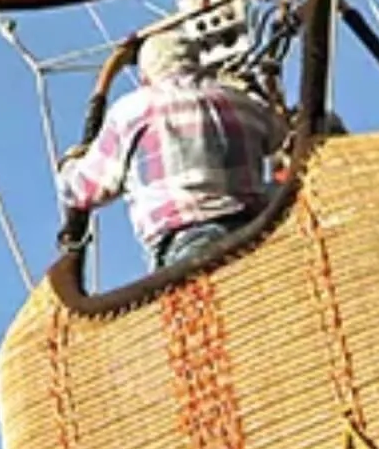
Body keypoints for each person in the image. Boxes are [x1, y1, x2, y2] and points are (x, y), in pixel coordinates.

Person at [57, 28, 290, 272]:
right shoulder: (243, 103)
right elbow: (283, 138)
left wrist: (70, 163)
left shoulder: (132, 111)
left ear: (145, 74)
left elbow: (83, 190)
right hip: (258, 235)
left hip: (188, 244)